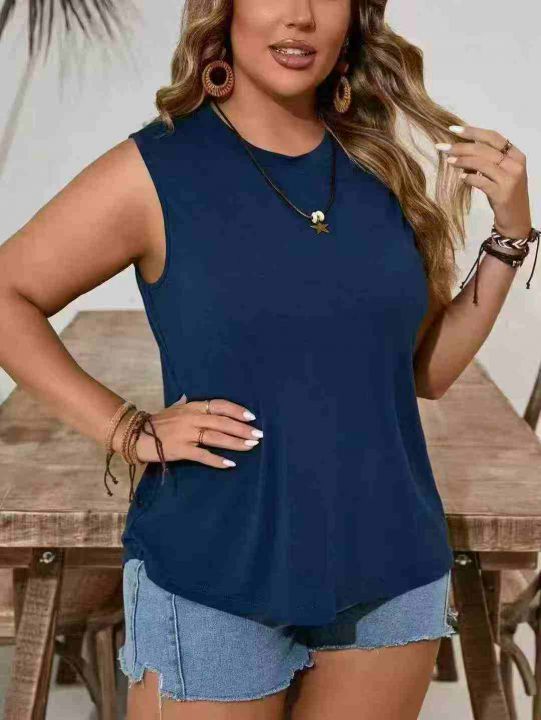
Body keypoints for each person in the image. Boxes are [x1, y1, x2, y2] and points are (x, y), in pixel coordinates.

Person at [0, 0, 538, 717]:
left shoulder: (380, 163)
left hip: (391, 567)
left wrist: (508, 236)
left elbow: (425, 373)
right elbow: (7, 293)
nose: (300, 16)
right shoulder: (156, 171)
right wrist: (127, 429)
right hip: (215, 571)